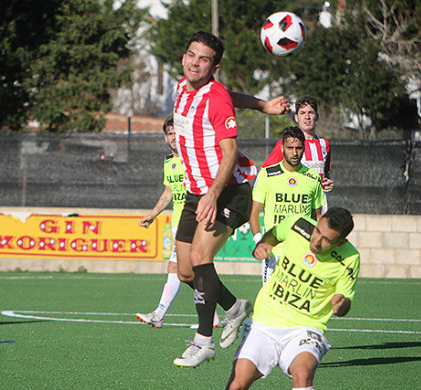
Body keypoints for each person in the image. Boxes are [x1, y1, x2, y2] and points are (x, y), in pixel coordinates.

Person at [172, 31, 290, 368]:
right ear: (184, 57)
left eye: (204, 59)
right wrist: (264, 105)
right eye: (191, 55)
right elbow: (231, 94)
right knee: (184, 271)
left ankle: (203, 342)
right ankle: (235, 308)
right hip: (197, 191)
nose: (195, 62)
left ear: (215, 66)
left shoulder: (215, 96)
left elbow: (230, 151)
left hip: (230, 189)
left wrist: (212, 194)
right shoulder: (184, 87)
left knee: (199, 255)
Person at [226, 207, 360, 390]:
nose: (316, 242)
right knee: (237, 384)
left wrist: (342, 304)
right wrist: (263, 244)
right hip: (264, 323)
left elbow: (346, 300)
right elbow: (273, 234)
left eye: (326, 240)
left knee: (303, 376)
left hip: (305, 329)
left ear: (340, 242)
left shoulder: (350, 259)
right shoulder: (298, 224)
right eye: (317, 231)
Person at [135, 117, 220, 329]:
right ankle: (216, 315)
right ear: (166, 137)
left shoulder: (194, 159)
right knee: (190, 271)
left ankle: (158, 314)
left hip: (193, 222)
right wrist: (153, 214)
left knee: (178, 269)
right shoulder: (168, 162)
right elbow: (169, 191)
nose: (174, 137)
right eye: (170, 134)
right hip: (177, 222)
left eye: (177, 133)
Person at [250, 126, 325, 285]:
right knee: (269, 302)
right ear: (282, 148)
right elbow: (254, 213)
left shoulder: (313, 178)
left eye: (298, 148)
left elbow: (317, 216)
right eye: (290, 148)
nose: (295, 152)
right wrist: (260, 241)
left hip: (302, 252)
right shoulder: (267, 175)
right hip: (273, 252)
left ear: (304, 148)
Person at [262, 96, 333, 212]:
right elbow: (265, 173)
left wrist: (327, 183)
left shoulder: (324, 144)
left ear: (317, 116)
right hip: (294, 205)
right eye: (302, 113)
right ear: (296, 117)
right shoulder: (286, 144)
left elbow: (325, 174)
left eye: (311, 112)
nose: (307, 117)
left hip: (319, 207)